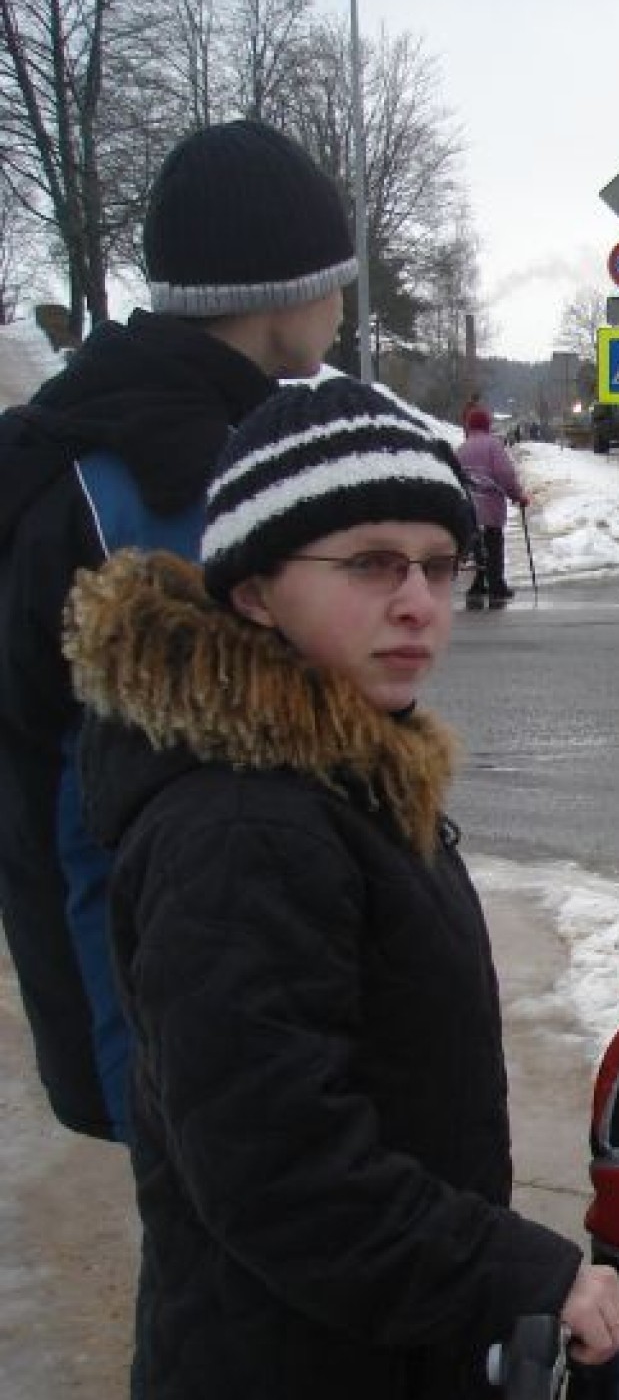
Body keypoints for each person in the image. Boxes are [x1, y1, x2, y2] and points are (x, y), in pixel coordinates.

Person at [62, 376, 619, 1400]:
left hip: (383, 1373)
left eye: (437, 562)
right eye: (370, 563)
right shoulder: (242, 827)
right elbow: (282, 1172)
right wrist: (520, 1271)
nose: (418, 599)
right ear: (254, 591)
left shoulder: (340, 778)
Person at [0, 117, 358, 1143]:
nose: (340, 300)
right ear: (278, 290)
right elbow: (209, 803)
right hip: (178, 1003)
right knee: (233, 1269)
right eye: (332, 275)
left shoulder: (102, 438)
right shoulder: (171, 486)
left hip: (133, 986)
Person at [457, 403, 530, 608]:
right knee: (493, 544)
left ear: (469, 426)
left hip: (469, 509)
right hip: (490, 507)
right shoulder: (493, 445)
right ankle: (497, 585)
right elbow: (505, 475)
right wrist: (518, 495)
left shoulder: (461, 449)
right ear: (488, 425)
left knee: (475, 547)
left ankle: (477, 584)